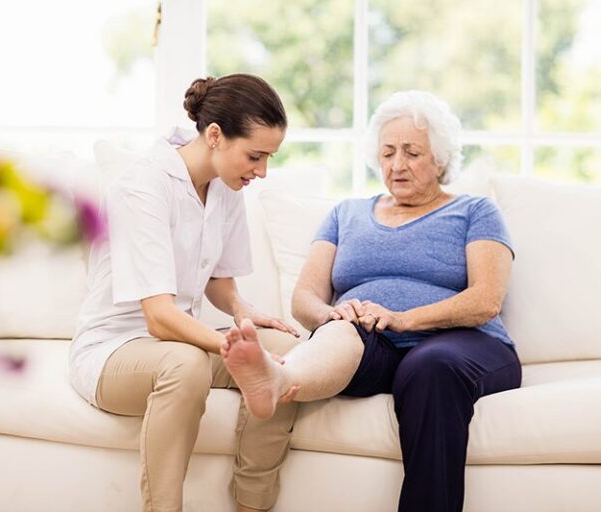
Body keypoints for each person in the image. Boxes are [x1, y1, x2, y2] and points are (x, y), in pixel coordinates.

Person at [220, 90, 522, 512]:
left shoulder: (475, 211)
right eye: (387, 152)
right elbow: (304, 298)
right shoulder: (346, 214)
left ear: (440, 158)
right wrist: (332, 314)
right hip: (371, 342)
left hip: (462, 344)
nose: (397, 164)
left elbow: (485, 300)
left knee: (428, 368)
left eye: (412, 152)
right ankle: (279, 381)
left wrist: (404, 319)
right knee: (339, 331)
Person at [70, 73, 301, 512]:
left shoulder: (228, 183)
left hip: (181, 337)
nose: (262, 171)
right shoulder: (142, 186)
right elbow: (157, 317)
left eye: (269, 158)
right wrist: (237, 349)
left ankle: (252, 503)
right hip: (115, 348)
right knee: (188, 364)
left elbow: (218, 282)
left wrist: (245, 315)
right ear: (214, 135)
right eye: (255, 156)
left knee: (287, 354)